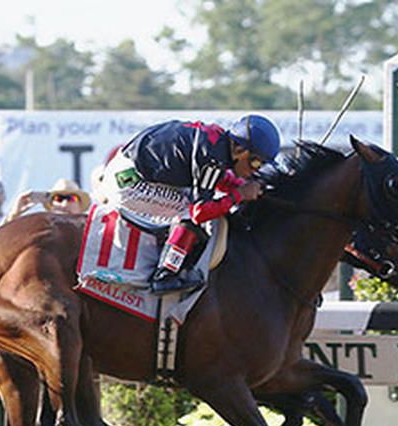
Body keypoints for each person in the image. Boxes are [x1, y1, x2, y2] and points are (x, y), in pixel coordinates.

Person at [96, 114, 281, 294]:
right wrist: (238, 195)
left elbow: (215, 179)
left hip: (131, 167)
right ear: (240, 150)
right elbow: (199, 212)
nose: (256, 170)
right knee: (188, 213)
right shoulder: (213, 157)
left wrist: (241, 188)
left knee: (191, 202)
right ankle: (165, 274)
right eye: (256, 162)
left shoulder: (219, 144)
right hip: (128, 182)